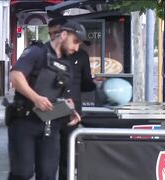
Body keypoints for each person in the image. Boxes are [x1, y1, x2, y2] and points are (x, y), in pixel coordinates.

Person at [7, 20, 89, 180]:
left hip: (51, 125)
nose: (76, 48)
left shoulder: (66, 65)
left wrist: (70, 111)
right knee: (22, 173)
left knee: (47, 174)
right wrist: (36, 98)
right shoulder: (37, 52)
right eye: (75, 41)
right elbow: (16, 76)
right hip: (25, 121)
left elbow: (59, 96)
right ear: (64, 35)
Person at [47, 18, 97, 180]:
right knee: (50, 156)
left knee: (67, 157)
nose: (76, 47)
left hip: (72, 112)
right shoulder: (47, 54)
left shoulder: (81, 56)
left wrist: (92, 84)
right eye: (75, 41)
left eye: (79, 43)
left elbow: (86, 82)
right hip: (51, 109)